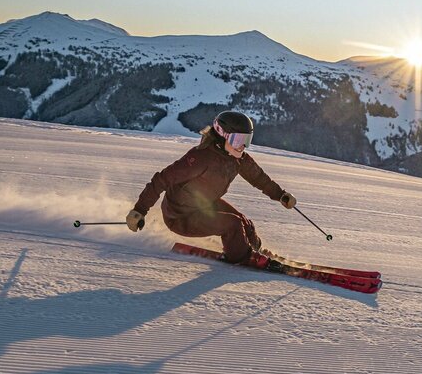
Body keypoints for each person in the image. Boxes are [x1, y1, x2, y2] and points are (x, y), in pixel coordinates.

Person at [126, 110, 297, 264]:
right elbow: (162, 179)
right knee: (233, 225)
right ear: (223, 135)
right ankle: (243, 257)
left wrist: (280, 195)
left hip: (203, 205)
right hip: (180, 216)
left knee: (245, 223)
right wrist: (139, 210)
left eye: (246, 140)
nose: (242, 146)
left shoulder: (238, 158)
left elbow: (259, 178)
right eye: (238, 139)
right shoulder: (200, 158)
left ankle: (255, 251)